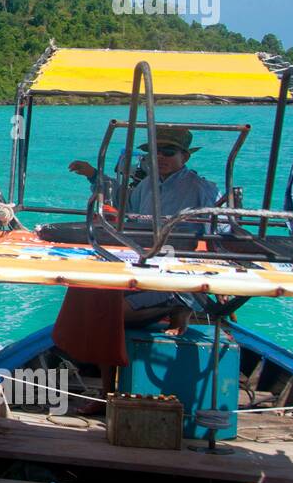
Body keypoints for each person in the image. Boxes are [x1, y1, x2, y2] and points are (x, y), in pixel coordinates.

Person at [61, 126, 219, 412]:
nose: (161, 157)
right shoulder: (148, 185)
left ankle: (179, 307)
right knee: (87, 294)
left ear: (185, 156)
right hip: (142, 264)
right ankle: (105, 389)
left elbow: (211, 232)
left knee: (107, 315)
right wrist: (94, 175)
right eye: (156, 152)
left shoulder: (199, 188)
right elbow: (123, 201)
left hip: (175, 275)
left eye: (169, 152)